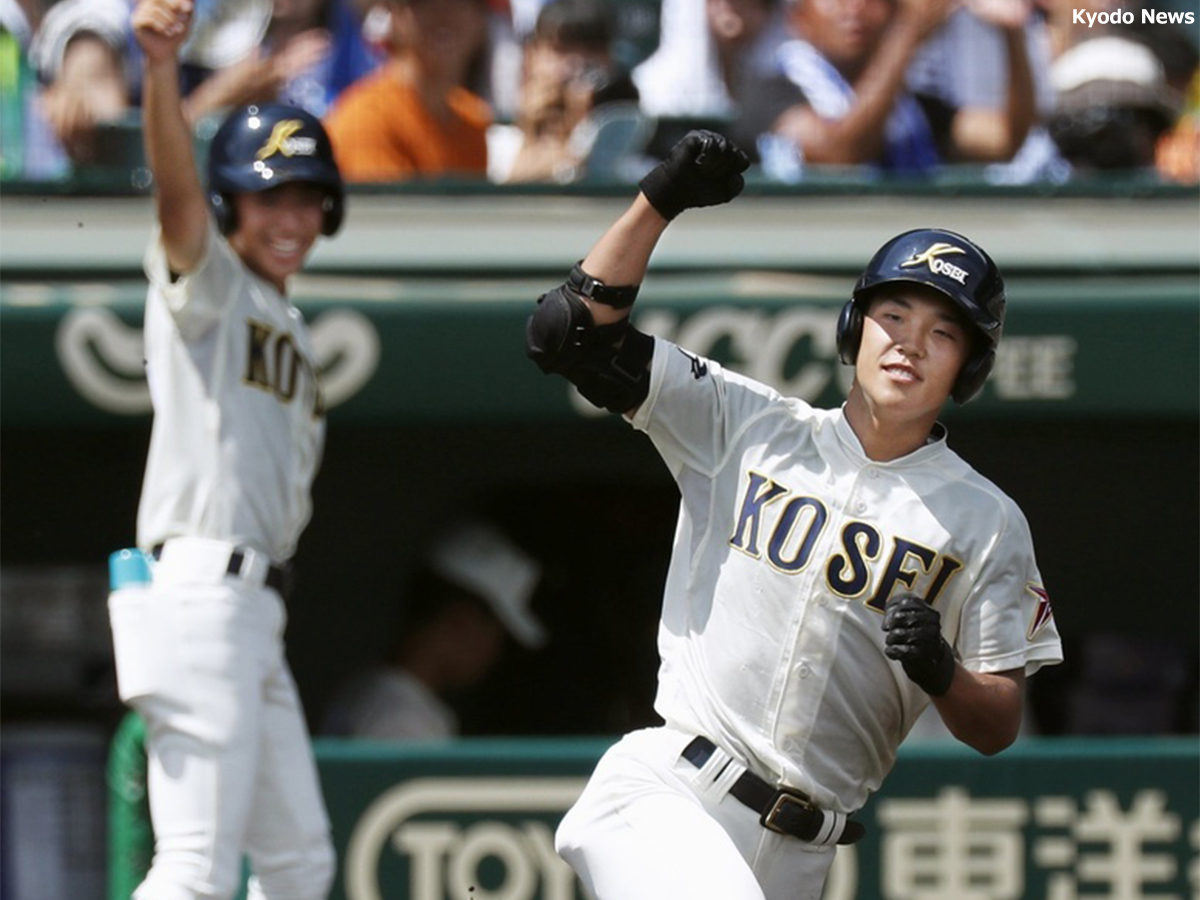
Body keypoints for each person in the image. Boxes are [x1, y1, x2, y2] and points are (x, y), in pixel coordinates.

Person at [523, 131, 1063, 899]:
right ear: (854, 328)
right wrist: (660, 200)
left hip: (804, 853)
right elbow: (568, 335)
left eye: (942, 333)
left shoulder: (987, 521)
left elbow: (997, 723)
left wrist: (944, 674)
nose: (909, 344)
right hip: (671, 792)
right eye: (894, 317)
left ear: (968, 367)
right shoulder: (748, 423)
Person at [103, 0, 345, 897]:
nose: (288, 216)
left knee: (296, 862)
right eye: (267, 195)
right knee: (196, 865)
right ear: (233, 203)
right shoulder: (212, 284)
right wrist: (164, 73)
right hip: (203, 588)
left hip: (253, 612)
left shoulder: (286, 317)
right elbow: (173, 198)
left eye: (304, 196)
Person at [322, 518, 546, 739]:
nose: (494, 655)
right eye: (496, 637)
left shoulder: (367, 690)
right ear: (461, 619)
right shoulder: (404, 720)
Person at [768, 0, 1037, 174]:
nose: (854, 8)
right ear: (797, 17)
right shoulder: (768, 87)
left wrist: (1013, 32)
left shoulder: (909, 110)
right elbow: (840, 153)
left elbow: (1004, 141)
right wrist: (909, 31)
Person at [323, 0, 491, 182]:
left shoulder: (473, 117)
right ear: (394, 15)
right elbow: (389, 208)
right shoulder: (367, 118)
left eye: (460, 3)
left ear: (480, 18)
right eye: (424, 5)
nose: (444, 16)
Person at [488, 0, 646, 184]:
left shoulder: (634, 146)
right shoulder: (495, 141)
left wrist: (580, 132)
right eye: (560, 49)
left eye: (591, 49)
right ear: (531, 55)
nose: (576, 63)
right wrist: (531, 132)